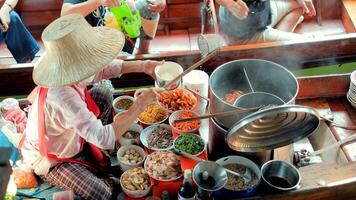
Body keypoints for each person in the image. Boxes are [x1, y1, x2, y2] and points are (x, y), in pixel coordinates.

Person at [19, 14, 163, 200]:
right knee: (102, 193)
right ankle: (87, 166)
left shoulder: (66, 65)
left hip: (71, 133)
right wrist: (140, 104)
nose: (94, 64)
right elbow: (103, 138)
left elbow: (101, 70)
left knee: (102, 94)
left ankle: (88, 149)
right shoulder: (64, 97)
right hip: (54, 158)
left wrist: (145, 65)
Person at [61, 0, 166, 54]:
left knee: (146, 5)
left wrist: (160, 3)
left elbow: (154, 3)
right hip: (98, 53)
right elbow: (65, 16)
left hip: (125, 47)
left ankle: (143, 52)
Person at [217, 0, 316, 45]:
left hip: (266, 12)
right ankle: (277, 45)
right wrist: (231, 5)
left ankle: (276, 46)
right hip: (246, 34)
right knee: (309, 42)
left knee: (299, 6)